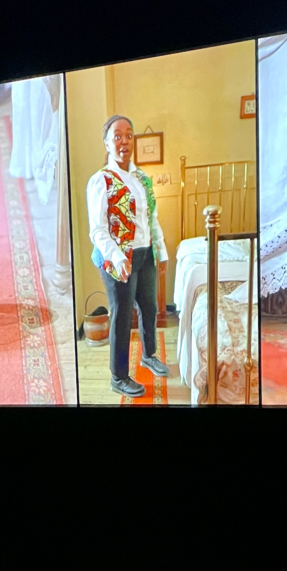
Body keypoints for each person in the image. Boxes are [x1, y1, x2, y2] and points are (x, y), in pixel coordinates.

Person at [86, 115, 169, 397]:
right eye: (117, 136)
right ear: (107, 143)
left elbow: (151, 218)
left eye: (129, 135)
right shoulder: (101, 181)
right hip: (115, 258)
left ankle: (149, 355)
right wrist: (119, 257)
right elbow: (97, 230)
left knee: (149, 307)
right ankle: (118, 376)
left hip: (145, 254)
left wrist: (162, 249)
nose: (124, 141)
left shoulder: (142, 178)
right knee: (122, 315)